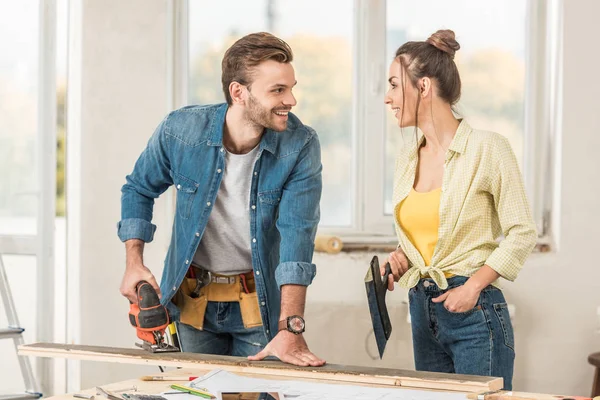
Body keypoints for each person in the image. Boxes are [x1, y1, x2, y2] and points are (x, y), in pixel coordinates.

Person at [117, 32, 325, 367]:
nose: (291, 100)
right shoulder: (180, 131)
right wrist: (134, 263)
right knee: (197, 391)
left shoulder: (299, 146)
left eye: (291, 87)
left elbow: (297, 236)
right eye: (278, 90)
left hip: (257, 302)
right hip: (191, 301)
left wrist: (290, 326)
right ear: (239, 92)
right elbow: (139, 188)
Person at [382, 29, 536, 389]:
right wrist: (404, 256)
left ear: (423, 88)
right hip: (422, 308)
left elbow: (522, 232)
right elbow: (434, 233)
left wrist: (474, 287)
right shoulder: (408, 156)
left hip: (474, 312)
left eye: (393, 85)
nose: (388, 98)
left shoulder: (489, 148)